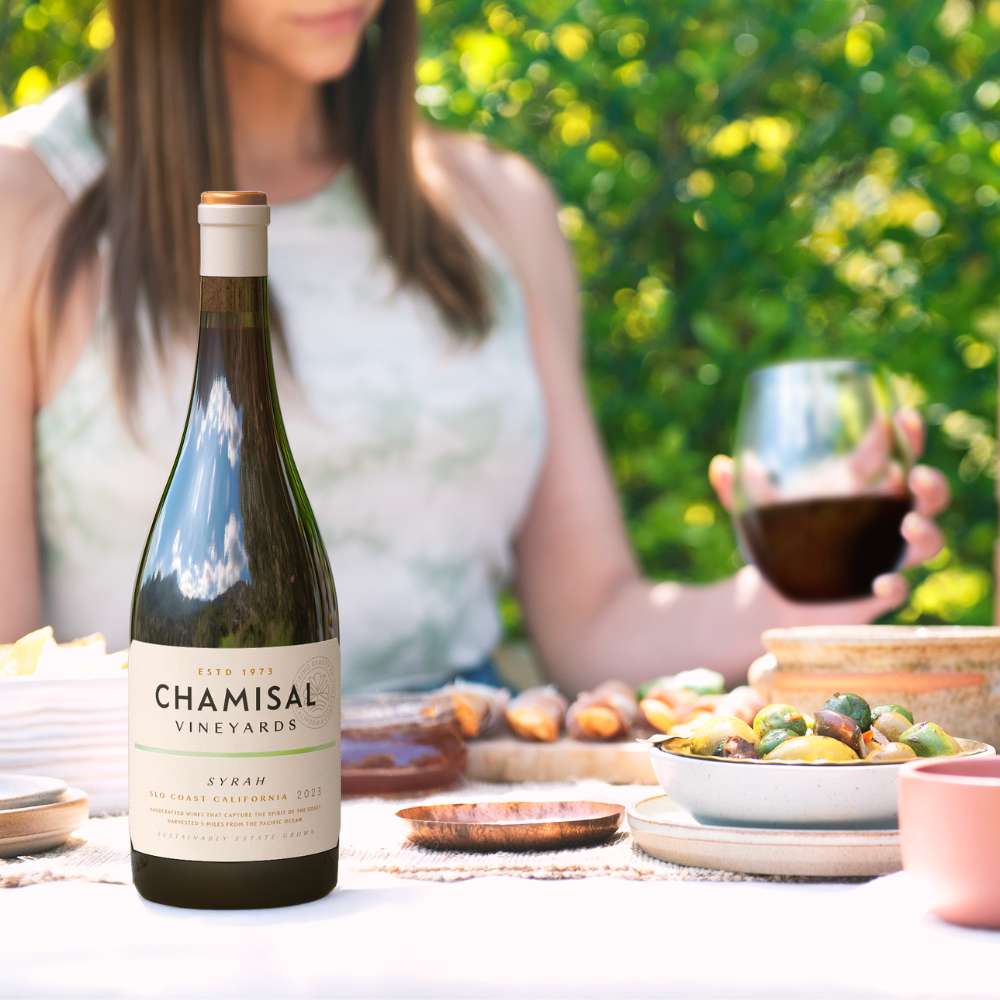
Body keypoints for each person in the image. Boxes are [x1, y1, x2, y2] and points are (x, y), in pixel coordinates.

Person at [0, 0, 949, 694]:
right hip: (169, 836)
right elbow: (11, 688)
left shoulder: (493, 205)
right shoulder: (27, 200)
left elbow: (589, 625)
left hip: (469, 821)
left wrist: (781, 606)